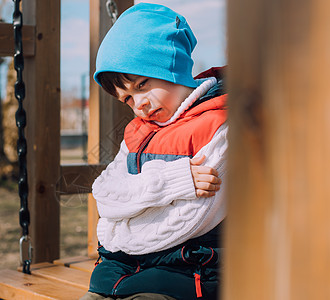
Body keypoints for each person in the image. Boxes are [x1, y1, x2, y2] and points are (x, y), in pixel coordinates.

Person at [81, 3, 227, 300]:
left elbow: (192, 220)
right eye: (127, 99)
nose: (139, 105)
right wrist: (175, 181)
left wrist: (125, 223)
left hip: (188, 271)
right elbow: (105, 195)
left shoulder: (219, 123)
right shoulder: (140, 131)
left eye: (142, 85)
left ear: (170, 65)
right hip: (123, 267)